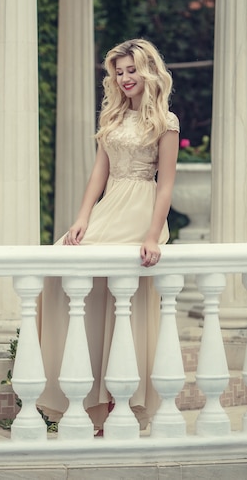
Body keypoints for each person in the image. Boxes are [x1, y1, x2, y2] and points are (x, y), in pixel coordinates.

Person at [37, 38, 180, 433]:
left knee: (123, 300)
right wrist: (81, 218)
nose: (125, 78)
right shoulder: (112, 119)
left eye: (132, 70)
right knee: (62, 275)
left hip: (140, 211)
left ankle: (121, 403)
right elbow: (98, 174)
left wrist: (153, 237)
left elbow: (165, 185)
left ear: (148, 70)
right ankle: (86, 402)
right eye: (118, 72)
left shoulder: (166, 122)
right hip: (109, 207)